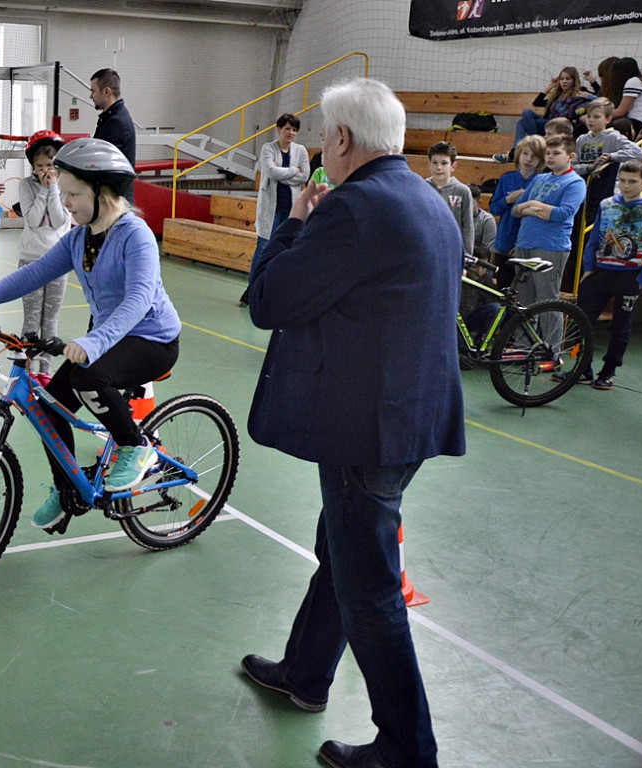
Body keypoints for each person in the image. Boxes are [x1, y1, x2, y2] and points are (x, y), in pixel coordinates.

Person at [240, 77, 465, 768]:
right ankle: (306, 674)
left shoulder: (356, 210)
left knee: (369, 588)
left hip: (366, 429)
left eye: (322, 135)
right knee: (341, 554)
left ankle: (408, 747)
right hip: (404, 420)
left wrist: (295, 224)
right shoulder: (428, 201)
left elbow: (269, 299)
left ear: (341, 140)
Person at [0, 137, 182, 529]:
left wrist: (93, 341)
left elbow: (140, 298)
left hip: (153, 340)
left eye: (74, 194)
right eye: (64, 193)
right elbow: (34, 273)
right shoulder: (78, 239)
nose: (67, 203)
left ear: (103, 193)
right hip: (111, 337)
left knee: (88, 376)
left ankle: (136, 447)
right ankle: (67, 491)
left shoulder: (136, 234)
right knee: (47, 405)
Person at [556, 160, 642, 390]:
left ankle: (609, 371)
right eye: (622, 180)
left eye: (632, 182)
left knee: (620, 327)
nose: (626, 186)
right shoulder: (607, 205)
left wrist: (641, 279)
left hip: (630, 275)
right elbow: (594, 238)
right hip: (600, 271)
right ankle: (582, 369)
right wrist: (588, 268)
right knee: (582, 319)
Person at [511, 134, 587, 350]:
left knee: (547, 300)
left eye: (556, 153)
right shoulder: (539, 179)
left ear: (570, 156)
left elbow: (563, 213)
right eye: (548, 153)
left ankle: (551, 350)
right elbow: (516, 210)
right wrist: (535, 209)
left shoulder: (575, 182)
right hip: (524, 243)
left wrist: (533, 205)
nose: (550, 157)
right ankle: (524, 346)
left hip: (550, 247)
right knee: (524, 300)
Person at [16, 130, 72, 384]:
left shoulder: (65, 186)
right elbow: (34, 220)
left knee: (50, 318)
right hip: (31, 259)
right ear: (33, 167)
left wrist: (53, 190)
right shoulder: (26, 185)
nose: (45, 171)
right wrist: (43, 191)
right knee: (31, 317)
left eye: (50, 166)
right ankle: (26, 369)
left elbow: (61, 220)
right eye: (40, 167)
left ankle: (45, 369)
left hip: (58, 260)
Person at [239, 113, 311, 307]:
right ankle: (252, 288)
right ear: (278, 129)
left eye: (294, 130)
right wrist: (292, 171)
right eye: (287, 128)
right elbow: (270, 172)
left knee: (287, 248)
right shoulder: (267, 149)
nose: (291, 133)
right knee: (263, 246)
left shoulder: (301, 151)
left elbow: (304, 175)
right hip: (271, 208)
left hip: (291, 208)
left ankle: (277, 290)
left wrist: (285, 173)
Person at [494, 67, 592, 162]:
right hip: (548, 123)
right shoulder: (557, 94)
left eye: (568, 79)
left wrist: (592, 82)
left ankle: (517, 152)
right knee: (526, 113)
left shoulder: (580, 91)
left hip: (562, 125)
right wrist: (550, 87)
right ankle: (534, 144)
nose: (564, 81)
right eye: (561, 79)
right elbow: (537, 102)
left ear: (574, 80)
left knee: (521, 123)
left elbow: (599, 98)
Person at [574, 97, 642, 227]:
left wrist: (611, 156)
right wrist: (589, 167)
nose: (591, 120)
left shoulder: (613, 136)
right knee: (579, 224)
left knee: (598, 222)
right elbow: (574, 166)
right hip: (583, 187)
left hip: (604, 188)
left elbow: (637, 152)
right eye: (589, 116)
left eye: (596, 117)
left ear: (608, 119)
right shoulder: (581, 139)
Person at [489, 135, 546, 289]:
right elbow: (494, 208)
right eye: (525, 154)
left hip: (528, 244)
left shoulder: (542, 181)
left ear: (540, 160)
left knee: (525, 291)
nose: (528, 159)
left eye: (534, 156)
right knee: (503, 289)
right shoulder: (507, 179)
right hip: (505, 242)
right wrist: (508, 199)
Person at [90, 68, 136, 205]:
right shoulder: (110, 118)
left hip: (114, 201)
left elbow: (101, 164)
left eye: (93, 91)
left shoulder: (116, 122)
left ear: (106, 92)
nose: (90, 96)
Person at [426, 140, 474, 255]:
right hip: (428, 250)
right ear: (429, 165)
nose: (438, 167)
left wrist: (466, 256)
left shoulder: (463, 191)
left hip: (453, 251)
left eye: (444, 163)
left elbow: (467, 227)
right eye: (434, 163)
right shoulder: (422, 188)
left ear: (453, 166)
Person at [608, 57, 642, 135]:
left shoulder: (633, 82)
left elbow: (620, 111)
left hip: (637, 122)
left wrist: (598, 115)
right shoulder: (641, 80)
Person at [469, 183, 497, 250]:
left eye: (470, 204)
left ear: (479, 203)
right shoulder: (455, 216)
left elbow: (486, 252)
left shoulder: (487, 220)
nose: (466, 207)